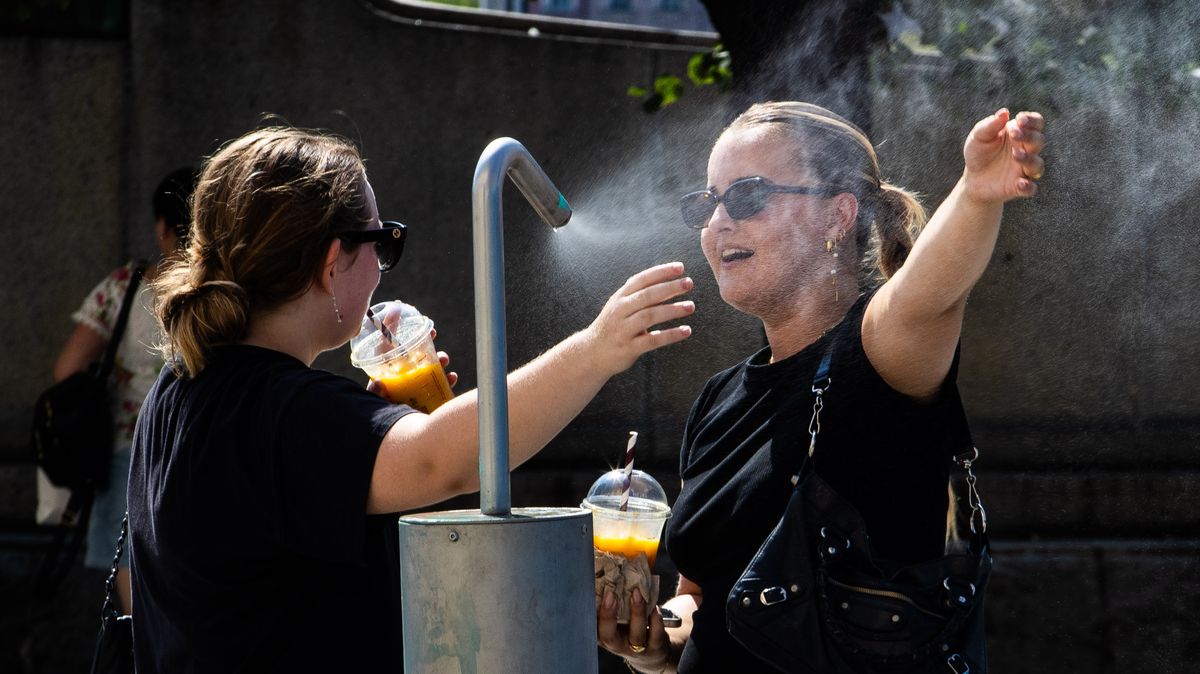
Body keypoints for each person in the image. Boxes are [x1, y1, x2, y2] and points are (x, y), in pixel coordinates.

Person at [126, 127, 695, 672]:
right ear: (331, 263)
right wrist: (598, 349)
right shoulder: (289, 411)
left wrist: (380, 430)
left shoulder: (179, 389)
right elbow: (440, 460)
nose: (381, 266)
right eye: (382, 242)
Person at [597, 102, 1045, 672]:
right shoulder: (718, 399)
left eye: (747, 195)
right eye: (707, 203)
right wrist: (656, 640)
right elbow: (703, 595)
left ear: (837, 217)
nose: (718, 223)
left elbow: (929, 293)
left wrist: (977, 194)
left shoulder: (876, 358)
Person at [51, 167, 197, 614]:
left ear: (161, 226)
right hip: (198, 439)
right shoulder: (226, 291)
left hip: (128, 443)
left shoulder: (124, 286)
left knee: (131, 560)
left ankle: (144, 650)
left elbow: (68, 370)